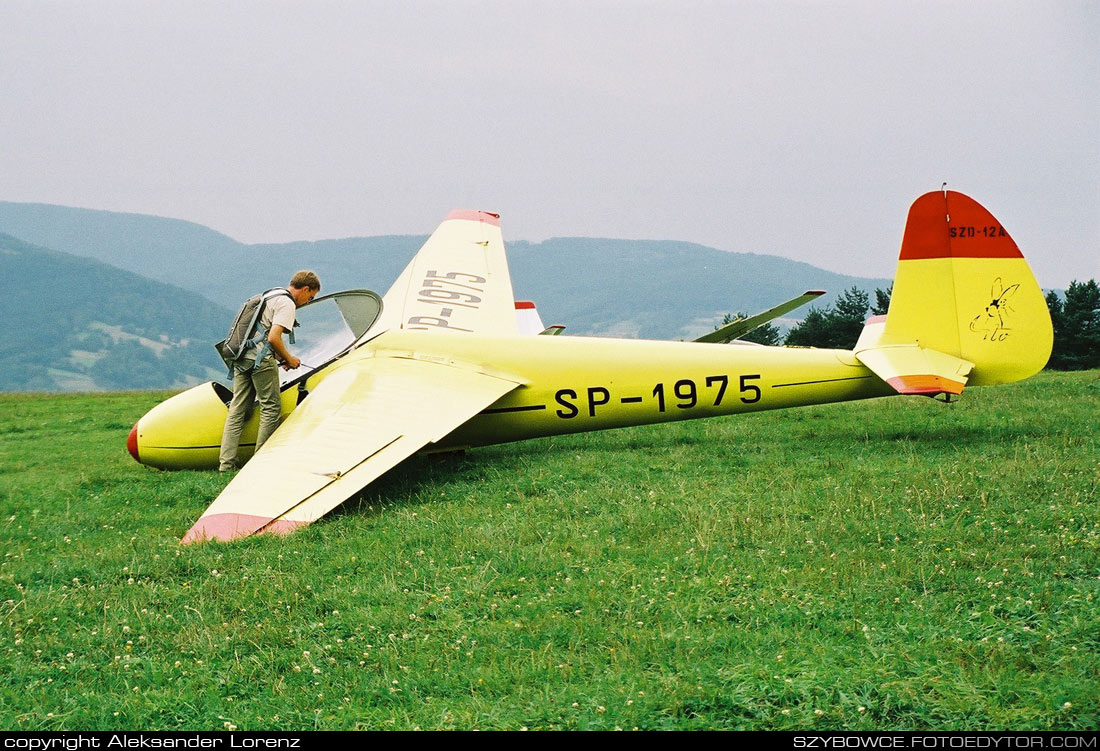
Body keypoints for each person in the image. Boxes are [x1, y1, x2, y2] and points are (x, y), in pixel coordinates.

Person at [218, 270, 321, 471]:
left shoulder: (272, 294)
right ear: (306, 288)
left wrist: (281, 358)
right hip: (260, 360)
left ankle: (226, 464)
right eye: (310, 297)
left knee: (237, 409)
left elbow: (261, 334)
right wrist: (290, 358)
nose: (308, 302)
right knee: (271, 407)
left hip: (241, 356)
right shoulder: (287, 303)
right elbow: (273, 337)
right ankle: (260, 465)